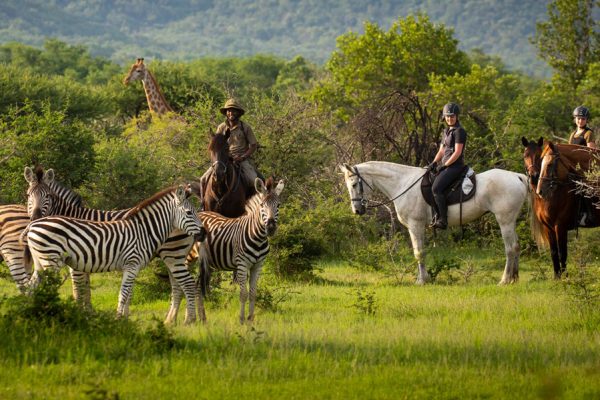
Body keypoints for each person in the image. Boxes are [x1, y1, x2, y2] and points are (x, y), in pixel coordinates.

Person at [200, 98, 262, 192]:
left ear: (238, 113)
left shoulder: (245, 127)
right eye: (229, 110)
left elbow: (253, 145)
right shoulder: (221, 127)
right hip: (224, 159)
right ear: (226, 113)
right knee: (203, 180)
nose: (231, 113)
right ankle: (203, 205)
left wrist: (243, 157)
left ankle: (256, 204)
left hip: (241, 160)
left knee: (254, 181)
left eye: (233, 110)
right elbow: (216, 145)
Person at [426, 103, 467, 229]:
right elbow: (442, 151)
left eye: (452, 116)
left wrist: (444, 166)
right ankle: (434, 215)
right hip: (446, 165)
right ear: (444, 117)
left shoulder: (459, 131)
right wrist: (434, 163)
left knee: (436, 189)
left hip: (455, 167)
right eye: (448, 116)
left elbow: (457, 152)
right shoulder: (446, 131)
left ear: (457, 116)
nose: (450, 119)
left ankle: (443, 220)